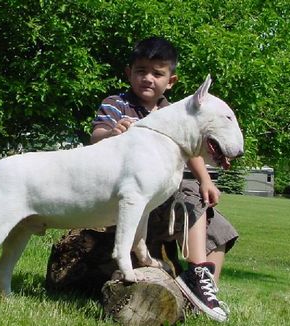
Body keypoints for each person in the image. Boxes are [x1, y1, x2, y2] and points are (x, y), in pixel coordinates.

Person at [90, 36, 237, 322]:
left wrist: (206, 179)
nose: (148, 78)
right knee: (191, 196)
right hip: (134, 193)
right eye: (141, 70)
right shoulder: (117, 104)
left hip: (167, 192)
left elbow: (191, 150)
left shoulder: (175, 112)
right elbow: (96, 138)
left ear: (170, 81)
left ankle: (205, 290)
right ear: (128, 72)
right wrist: (112, 134)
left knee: (218, 226)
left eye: (157, 73)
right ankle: (195, 273)